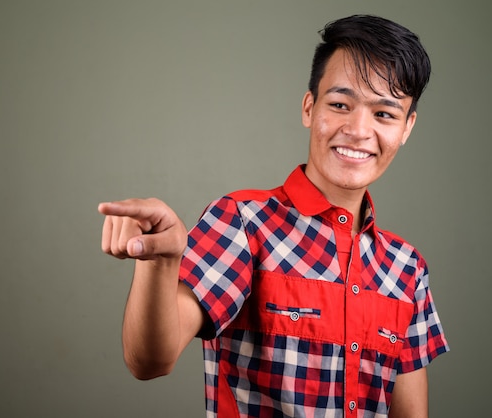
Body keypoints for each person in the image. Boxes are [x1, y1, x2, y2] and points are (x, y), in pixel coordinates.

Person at [98, 14, 449, 418]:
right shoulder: (241, 223)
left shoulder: (408, 270)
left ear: (407, 128)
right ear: (309, 108)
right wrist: (161, 263)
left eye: (384, 114)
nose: (357, 129)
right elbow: (149, 362)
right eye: (340, 105)